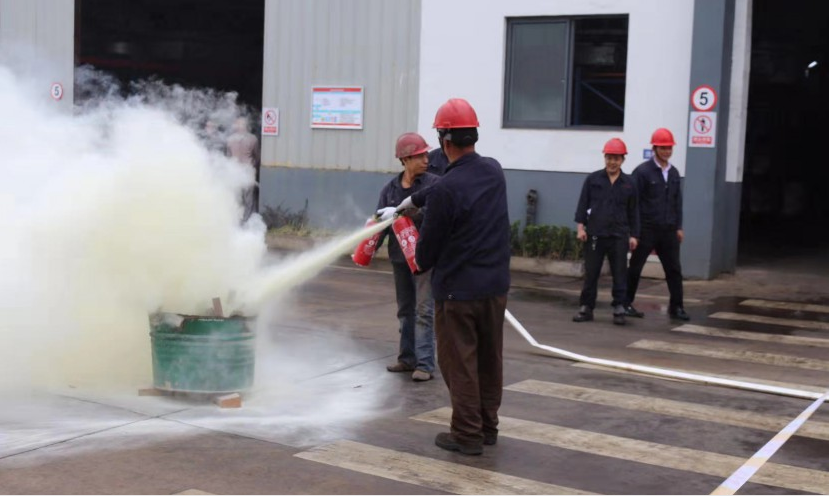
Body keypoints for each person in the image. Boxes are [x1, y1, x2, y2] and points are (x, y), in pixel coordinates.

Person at [397, 98, 511, 456]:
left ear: (444, 141)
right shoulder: (493, 171)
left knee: (460, 364)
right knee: (489, 360)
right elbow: (452, 184)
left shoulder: (446, 190)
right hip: (494, 288)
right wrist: (415, 199)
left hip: (457, 295)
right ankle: (487, 427)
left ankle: (466, 434)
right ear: (473, 135)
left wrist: (411, 220)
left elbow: (425, 256)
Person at [374, 133, 440, 382]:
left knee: (424, 310)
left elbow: (437, 216)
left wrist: (408, 212)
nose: (426, 160)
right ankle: (407, 359)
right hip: (400, 258)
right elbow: (380, 222)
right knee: (405, 310)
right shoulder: (390, 190)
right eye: (420, 156)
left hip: (424, 259)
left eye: (426, 154)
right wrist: (369, 247)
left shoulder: (434, 184)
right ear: (405, 159)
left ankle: (424, 364)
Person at [624, 128, 690, 321]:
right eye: (663, 148)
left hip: (668, 230)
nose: (667, 151)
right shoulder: (642, 172)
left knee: (674, 270)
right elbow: (633, 202)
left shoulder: (674, 173)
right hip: (647, 229)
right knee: (635, 267)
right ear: (654, 148)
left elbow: (677, 202)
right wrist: (634, 232)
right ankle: (625, 303)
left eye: (669, 148)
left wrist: (678, 226)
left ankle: (677, 307)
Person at [572, 138, 639, 326]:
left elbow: (634, 211)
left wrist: (634, 235)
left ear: (622, 160)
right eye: (609, 158)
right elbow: (583, 204)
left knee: (620, 273)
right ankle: (586, 307)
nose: (612, 162)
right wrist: (580, 228)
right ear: (605, 158)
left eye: (616, 158)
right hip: (595, 234)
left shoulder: (629, 183)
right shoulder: (593, 180)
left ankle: (619, 307)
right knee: (591, 273)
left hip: (619, 235)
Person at [226, 117, 260, 222]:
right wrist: (253, 166)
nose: (240, 126)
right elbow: (257, 157)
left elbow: (228, 157)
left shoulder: (230, 139)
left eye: (241, 124)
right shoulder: (253, 139)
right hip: (246, 170)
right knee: (247, 199)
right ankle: (245, 221)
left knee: (239, 198)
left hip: (237, 171)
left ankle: (239, 221)